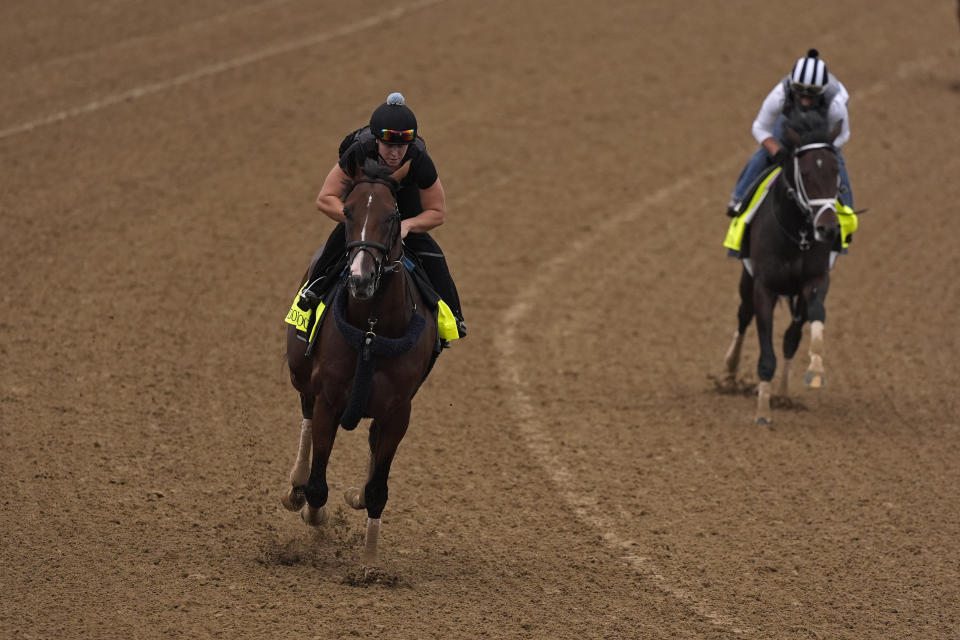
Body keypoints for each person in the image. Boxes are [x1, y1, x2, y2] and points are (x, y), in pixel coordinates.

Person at [300, 92, 466, 339]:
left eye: (402, 147)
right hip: (364, 204)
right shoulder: (359, 151)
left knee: (433, 255)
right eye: (389, 145)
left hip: (404, 206)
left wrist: (408, 225)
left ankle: (453, 316)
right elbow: (325, 199)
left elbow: (437, 212)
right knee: (333, 248)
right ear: (376, 140)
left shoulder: (419, 159)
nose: (395, 154)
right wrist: (362, 222)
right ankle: (310, 297)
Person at [726, 49, 854, 217]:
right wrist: (777, 151)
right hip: (791, 119)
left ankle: (846, 214)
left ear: (822, 92)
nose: (805, 101)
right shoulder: (780, 94)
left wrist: (819, 150)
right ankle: (739, 197)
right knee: (765, 152)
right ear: (792, 87)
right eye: (800, 92)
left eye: (812, 95)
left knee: (834, 161)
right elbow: (760, 127)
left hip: (822, 127)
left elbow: (843, 135)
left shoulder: (835, 104)